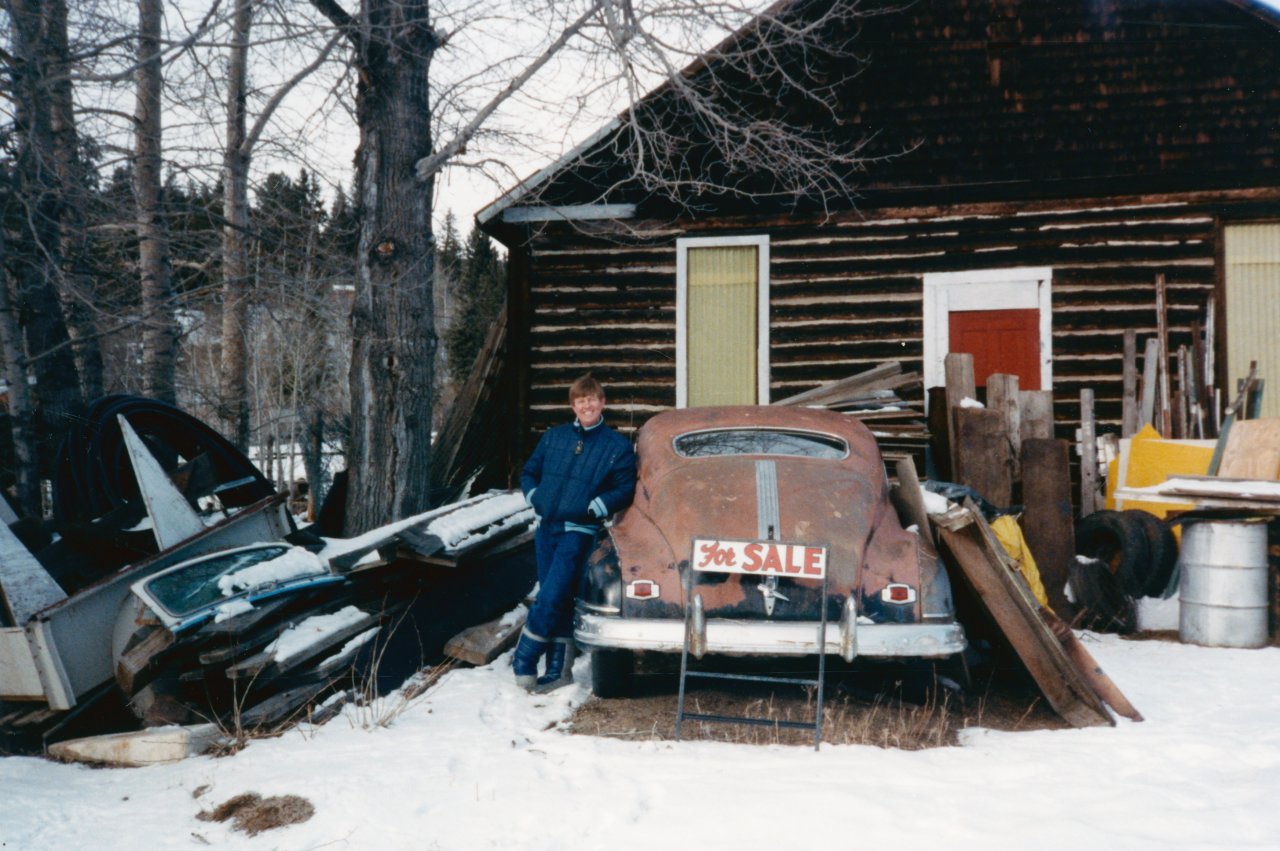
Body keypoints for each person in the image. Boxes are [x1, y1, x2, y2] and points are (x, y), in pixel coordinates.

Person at [515, 374, 636, 692]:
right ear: (573, 406)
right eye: (581, 401)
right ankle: (559, 671)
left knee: (551, 595)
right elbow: (529, 472)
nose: (587, 406)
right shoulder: (554, 437)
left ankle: (524, 658)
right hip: (547, 529)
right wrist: (535, 497)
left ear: (602, 403)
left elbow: (625, 488)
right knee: (558, 596)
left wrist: (597, 505)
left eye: (592, 399)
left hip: (579, 531)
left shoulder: (617, 447)